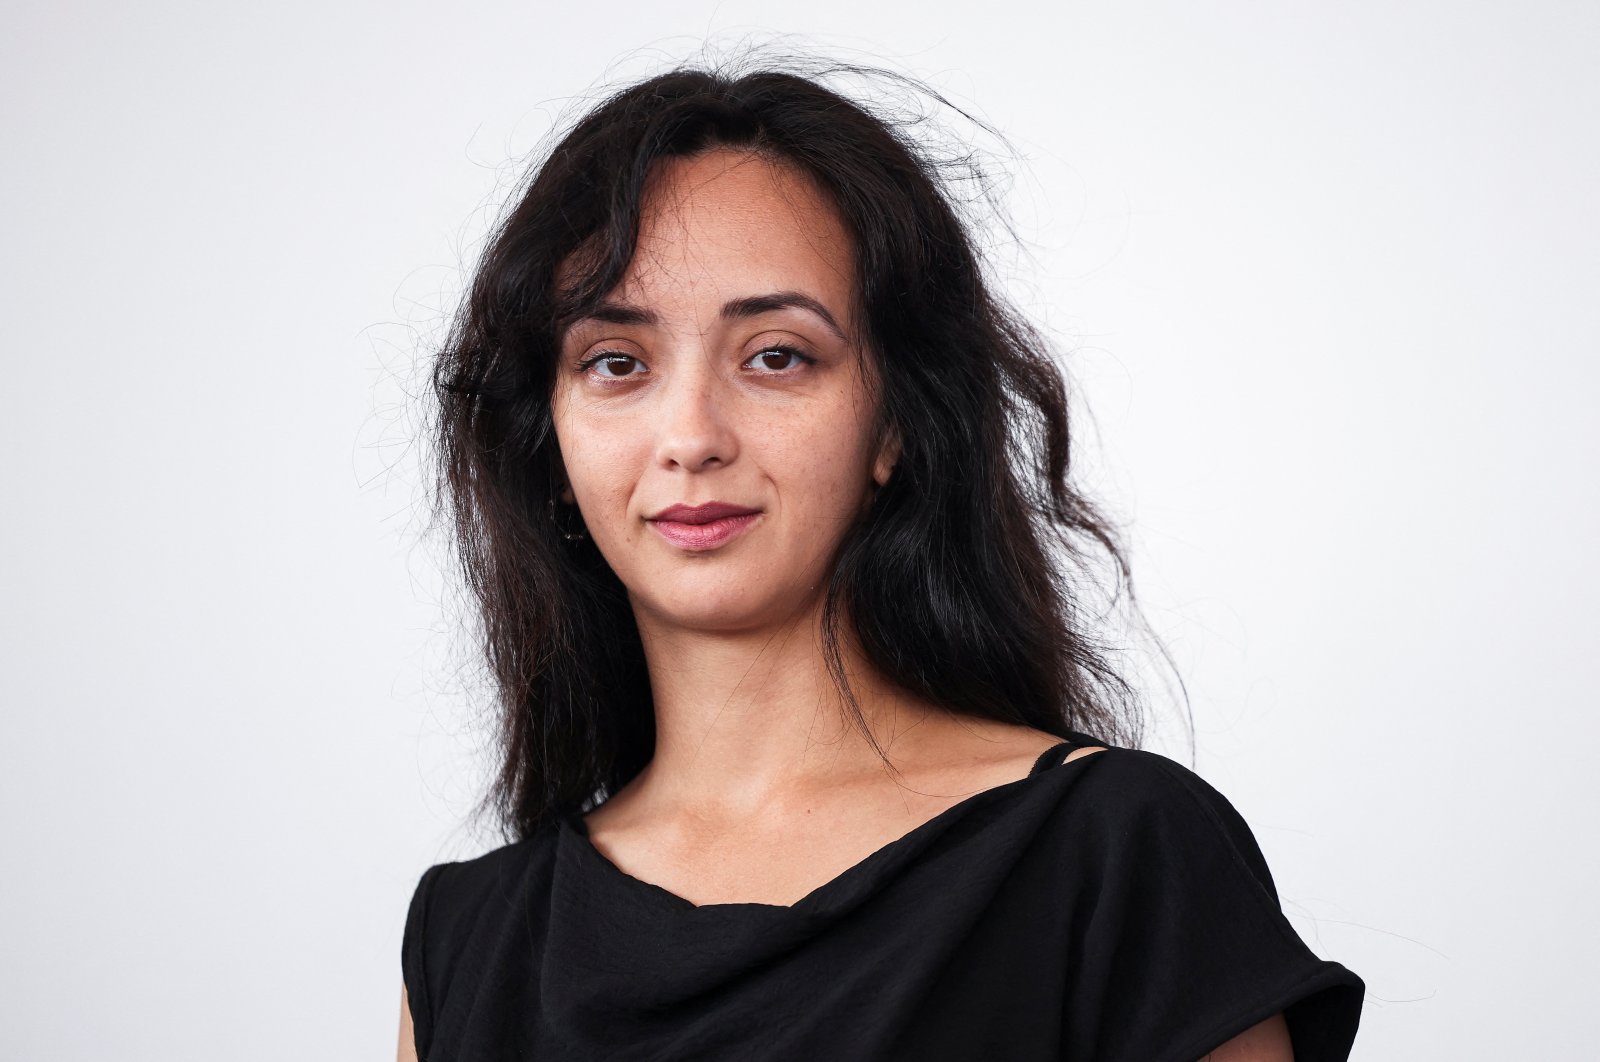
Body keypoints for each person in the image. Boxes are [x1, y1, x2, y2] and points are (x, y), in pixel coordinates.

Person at [397, 57, 1365, 1062]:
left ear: (893, 423)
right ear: (548, 443)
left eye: (775, 355)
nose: (689, 436)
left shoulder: (1113, 852)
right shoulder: (467, 941)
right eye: (616, 364)